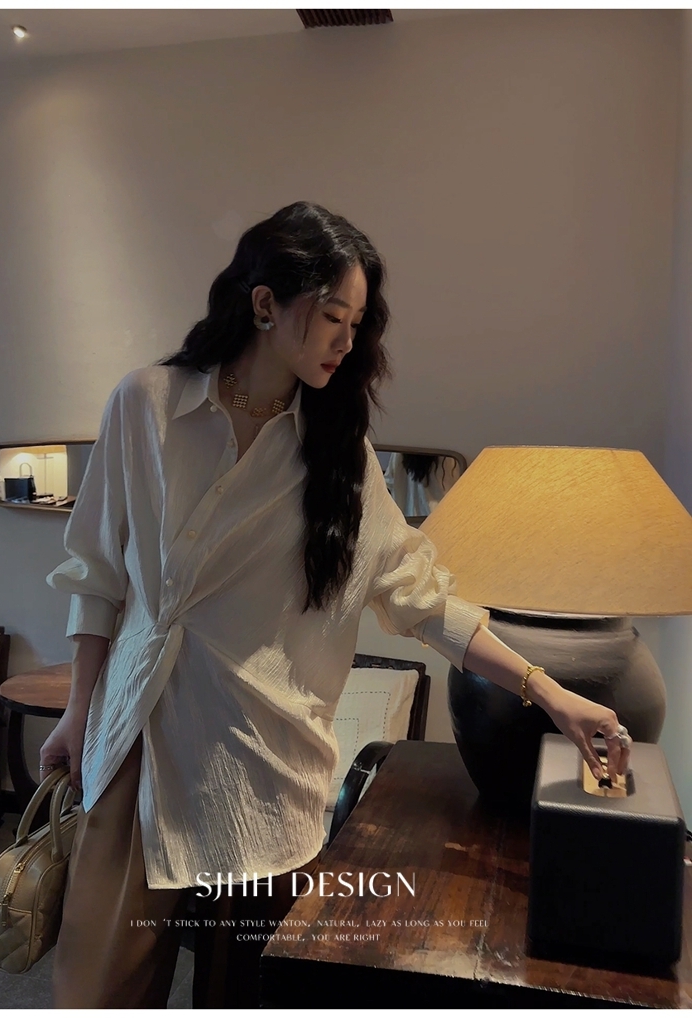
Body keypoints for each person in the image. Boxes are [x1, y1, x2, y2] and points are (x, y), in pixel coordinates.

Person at [40, 201, 632, 1009]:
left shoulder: (337, 454)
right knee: (97, 990)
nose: (347, 341)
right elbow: (96, 574)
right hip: (136, 737)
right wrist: (78, 713)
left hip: (259, 767)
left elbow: (419, 597)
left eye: (357, 323)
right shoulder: (146, 405)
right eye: (331, 317)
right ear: (264, 304)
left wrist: (552, 692)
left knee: (245, 992)